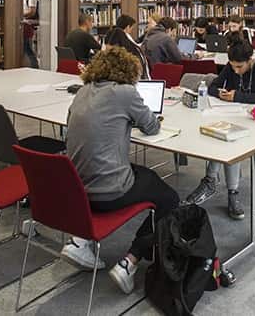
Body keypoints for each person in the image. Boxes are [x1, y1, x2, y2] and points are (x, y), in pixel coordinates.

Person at [63, 46, 180, 295]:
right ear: (129, 70)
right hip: (109, 192)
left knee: (146, 176)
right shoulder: (125, 93)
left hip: (77, 188)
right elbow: (151, 127)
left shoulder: (82, 92)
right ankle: (131, 261)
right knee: (169, 197)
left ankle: (81, 239)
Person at [183, 40, 255, 219]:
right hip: (235, 116)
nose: (235, 71)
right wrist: (219, 93)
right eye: (233, 66)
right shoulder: (231, 65)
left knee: (230, 139)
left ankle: (223, 188)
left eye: (239, 67)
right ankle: (215, 183)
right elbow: (213, 86)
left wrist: (239, 96)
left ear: (250, 60)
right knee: (222, 135)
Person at [22, 0, 39, 68]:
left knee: (28, 48)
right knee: (24, 48)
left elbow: (32, 11)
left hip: (28, 26)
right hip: (23, 25)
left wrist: (20, 14)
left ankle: (35, 66)